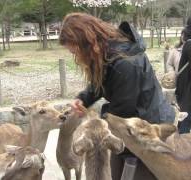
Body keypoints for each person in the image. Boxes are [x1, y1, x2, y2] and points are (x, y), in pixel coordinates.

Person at [59, 13, 175, 180]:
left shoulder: (125, 63)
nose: (76, 56)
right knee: (117, 170)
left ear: (88, 42)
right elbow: (101, 83)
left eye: (76, 50)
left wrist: (95, 124)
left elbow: (122, 112)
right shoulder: (107, 53)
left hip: (146, 128)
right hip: (130, 126)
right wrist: (83, 98)